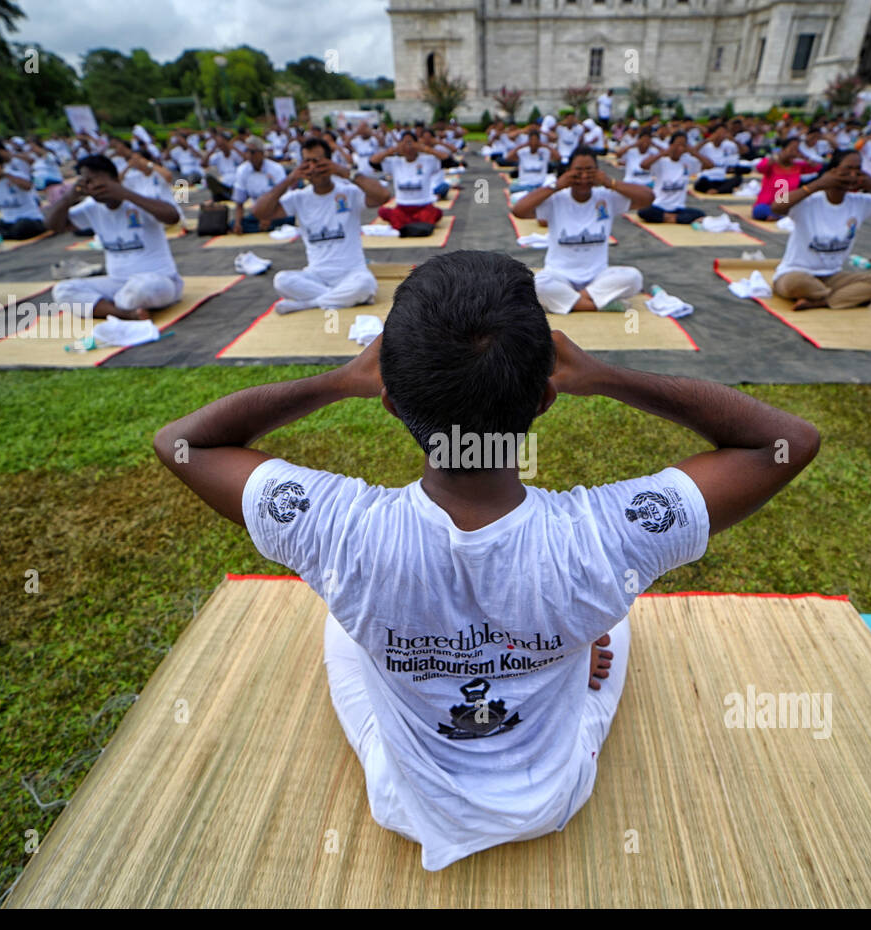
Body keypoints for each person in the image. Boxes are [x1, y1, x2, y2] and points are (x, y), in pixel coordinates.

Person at [151, 249, 820, 872]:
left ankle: (548, 643)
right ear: (547, 397)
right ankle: (559, 646)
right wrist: (607, 376)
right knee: (609, 611)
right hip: (552, 793)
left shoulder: (340, 532)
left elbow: (183, 444)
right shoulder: (603, 537)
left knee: (339, 612)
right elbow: (784, 443)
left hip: (405, 799)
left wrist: (338, 380)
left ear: (389, 400)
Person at [252, 136, 391, 314]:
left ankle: (308, 304)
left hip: (351, 273)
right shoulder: (299, 197)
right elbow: (259, 212)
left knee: (366, 284)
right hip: (316, 276)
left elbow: (383, 196)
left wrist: (347, 172)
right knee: (281, 280)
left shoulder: (348, 192)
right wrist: (290, 179)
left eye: (318, 161)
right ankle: (341, 298)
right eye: (307, 162)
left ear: (329, 162)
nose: (313, 168)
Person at [512, 145, 654, 313]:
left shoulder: (606, 197)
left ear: (598, 173)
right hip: (559, 275)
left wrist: (612, 183)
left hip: (596, 277)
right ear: (568, 172)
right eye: (578, 171)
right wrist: (556, 186)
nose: (584, 177)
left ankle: (571, 301)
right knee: (536, 284)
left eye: (590, 171)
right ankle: (596, 304)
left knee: (634, 277)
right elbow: (518, 211)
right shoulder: (556, 198)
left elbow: (648, 198)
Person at [44, 154, 184, 321]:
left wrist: (124, 193)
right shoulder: (91, 207)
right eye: (87, 182)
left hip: (159, 281)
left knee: (144, 287)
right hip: (117, 283)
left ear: (115, 180)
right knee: (63, 290)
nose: (94, 187)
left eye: (98, 181)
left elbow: (173, 217)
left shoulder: (137, 198)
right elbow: (52, 225)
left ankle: (108, 307)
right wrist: (69, 198)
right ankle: (126, 313)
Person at [771, 149, 871, 310]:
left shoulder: (860, 202)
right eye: (847, 169)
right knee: (795, 284)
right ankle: (843, 298)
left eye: (858, 171)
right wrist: (818, 184)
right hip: (797, 274)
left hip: (832, 276)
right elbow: (777, 206)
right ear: (832, 171)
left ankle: (821, 300)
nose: (853, 175)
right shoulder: (810, 201)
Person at [369, 132, 446, 236]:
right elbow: (373, 162)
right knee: (382, 211)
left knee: (436, 213)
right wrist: (393, 150)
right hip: (402, 207)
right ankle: (413, 225)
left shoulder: (427, 160)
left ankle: (409, 225)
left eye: (411, 143)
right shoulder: (395, 162)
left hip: (423, 206)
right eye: (405, 143)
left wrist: (424, 149)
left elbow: (448, 160)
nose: (408, 147)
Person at [637, 132, 704, 224]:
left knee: (700, 214)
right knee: (644, 211)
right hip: (659, 206)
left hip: (678, 208)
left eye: (683, 146)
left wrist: (693, 152)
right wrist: (663, 153)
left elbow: (710, 164)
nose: (680, 149)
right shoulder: (661, 162)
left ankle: (670, 218)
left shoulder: (687, 162)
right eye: (677, 145)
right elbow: (643, 165)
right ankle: (676, 219)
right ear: (671, 145)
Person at [230, 137, 290, 234]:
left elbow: (284, 198)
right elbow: (239, 202)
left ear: (261, 153)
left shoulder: (276, 169)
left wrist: (268, 217)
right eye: (247, 151)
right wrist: (238, 223)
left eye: (252, 152)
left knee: (288, 220)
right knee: (233, 224)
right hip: (257, 213)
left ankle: (265, 226)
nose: (249, 155)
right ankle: (265, 227)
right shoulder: (242, 170)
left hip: (276, 211)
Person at [751, 139, 813, 221]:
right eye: (791, 149)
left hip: (788, 207)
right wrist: (778, 157)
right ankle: (778, 216)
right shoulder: (772, 164)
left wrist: (804, 156)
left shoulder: (798, 166)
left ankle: (779, 217)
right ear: (783, 149)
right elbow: (760, 167)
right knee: (759, 210)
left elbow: (817, 167)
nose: (794, 152)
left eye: (797, 150)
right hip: (768, 205)